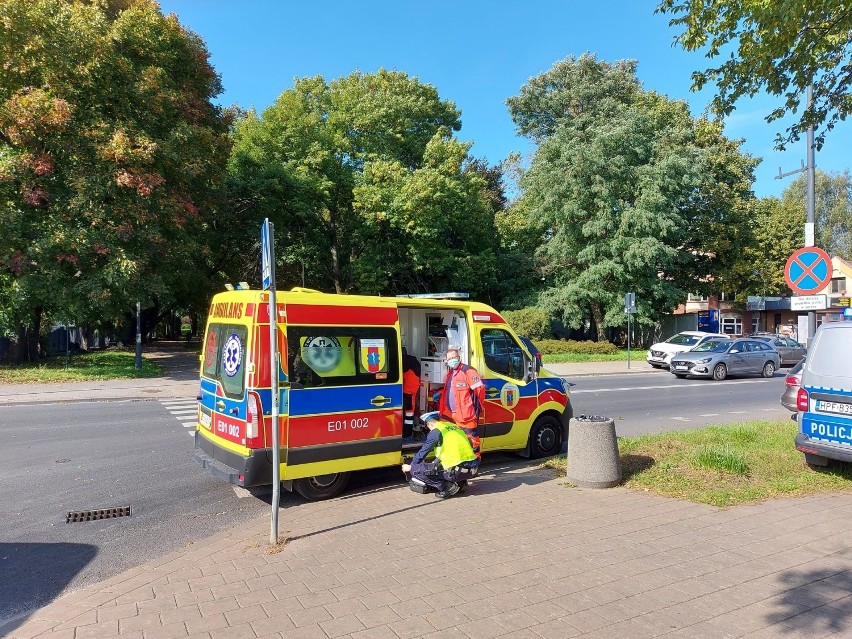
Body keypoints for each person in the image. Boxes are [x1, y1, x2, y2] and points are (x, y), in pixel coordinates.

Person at [402, 411, 478, 498]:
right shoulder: (453, 426)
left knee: (415, 470)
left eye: (427, 426)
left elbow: (423, 451)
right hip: (471, 469)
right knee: (438, 464)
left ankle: (447, 487)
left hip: (455, 472)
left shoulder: (436, 432)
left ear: (429, 424)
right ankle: (461, 483)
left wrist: (411, 466)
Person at [437, 346, 485, 464]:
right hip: (449, 414)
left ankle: (474, 465)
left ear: (459, 357)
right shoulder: (450, 373)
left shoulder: (468, 371)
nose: (452, 360)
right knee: (452, 439)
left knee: (471, 441)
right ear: (447, 361)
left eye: (454, 357)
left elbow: (480, 390)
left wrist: (475, 407)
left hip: (466, 414)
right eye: (450, 358)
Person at [401, 347, 421, 438]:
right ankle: (407, 432)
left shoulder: (405, 361)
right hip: (410, 389)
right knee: (409, 411)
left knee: (408, 411)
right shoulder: (411, 361)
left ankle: (407, 432)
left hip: (409, 390)